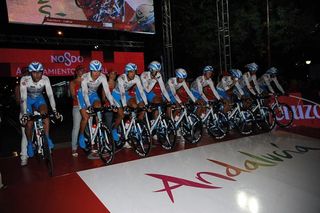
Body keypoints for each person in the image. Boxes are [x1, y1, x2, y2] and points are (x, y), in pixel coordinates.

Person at [20, 62, 61, 159]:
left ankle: (46, 137)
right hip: (28, 100)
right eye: (34, 72)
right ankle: (30, 144)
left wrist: (54, 110)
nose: (37, 75)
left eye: (39, 72)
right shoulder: (24, 80)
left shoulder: (45, 79)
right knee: (29, 124)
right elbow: (23, 98)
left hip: (39, 99)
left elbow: (50, 95)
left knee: (45, 115)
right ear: (30, 72)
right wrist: (25, 113)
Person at [77, 60, 118, 149]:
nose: (97, 73)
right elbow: (84, 93)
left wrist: (112, 103)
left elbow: (107, 92)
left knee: (99, 107)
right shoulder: (85, 77)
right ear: (90, 71)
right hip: (82, 95)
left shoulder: (102, 77)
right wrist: (88, 106)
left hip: (93, 94)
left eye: (99, 71)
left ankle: (100, 130)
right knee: (86, 117)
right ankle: (81, 135)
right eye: (94, 71)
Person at [112, 63, 148, 146]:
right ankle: (114, 129)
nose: (133, 74)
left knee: (135, 106)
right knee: (121, 115)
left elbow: (141, 91)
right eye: (131, 72)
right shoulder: (121, 78)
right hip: (116, 95)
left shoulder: (136, 78)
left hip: (126, 94)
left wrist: (146, 103)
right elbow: (122, 93)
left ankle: (131, 126)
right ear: (127, 72)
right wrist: (124, 106)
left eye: (134, 71)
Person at [14, 67, 29, 166]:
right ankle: (24, 157)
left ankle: (45, 147)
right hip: (24, 112)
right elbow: (17, 101)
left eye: (28, 73)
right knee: (25, 135)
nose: (27, 75)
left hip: (35, 111)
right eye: (25, 73)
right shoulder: (18, 86)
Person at [69, 65, 85, 157]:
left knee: (88, 125)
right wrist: (80, 101)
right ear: (76, 72)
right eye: (79, 70)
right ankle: (74, 148)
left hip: (86, 106)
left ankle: (89, 144)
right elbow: (73, 95)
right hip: (76, 106)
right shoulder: (73, 82)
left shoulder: (86, 81)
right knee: (76, 127)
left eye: (83, 70)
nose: (81, 71)